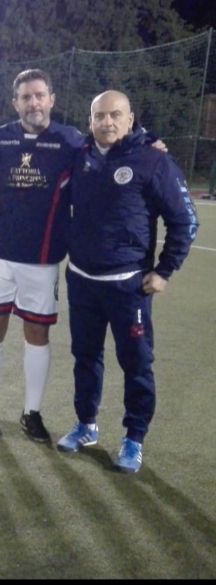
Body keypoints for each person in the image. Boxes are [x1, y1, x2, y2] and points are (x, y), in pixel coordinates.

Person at [56, 90, 198, 474]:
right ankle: (86, 424)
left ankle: (134, 437)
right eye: (100, 116)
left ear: (130, 119)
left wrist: (164, 271)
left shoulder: (153, 159)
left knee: (136, 364)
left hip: (128, 285)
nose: (107, 122)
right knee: (85, 357)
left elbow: (185, 221)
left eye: (115, 115)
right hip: (82, 280)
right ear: (90, 121)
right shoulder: (79, 156)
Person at [0, 70, 85, 441]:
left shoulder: (70, 140)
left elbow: (108, 146)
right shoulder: (0, 139)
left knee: (37, 335)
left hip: (43, 257)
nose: (33, 102)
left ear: (51, 99)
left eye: (39, 95)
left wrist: (146, 138)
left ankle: (31, 413)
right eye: (26, 97)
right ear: (15, 103)